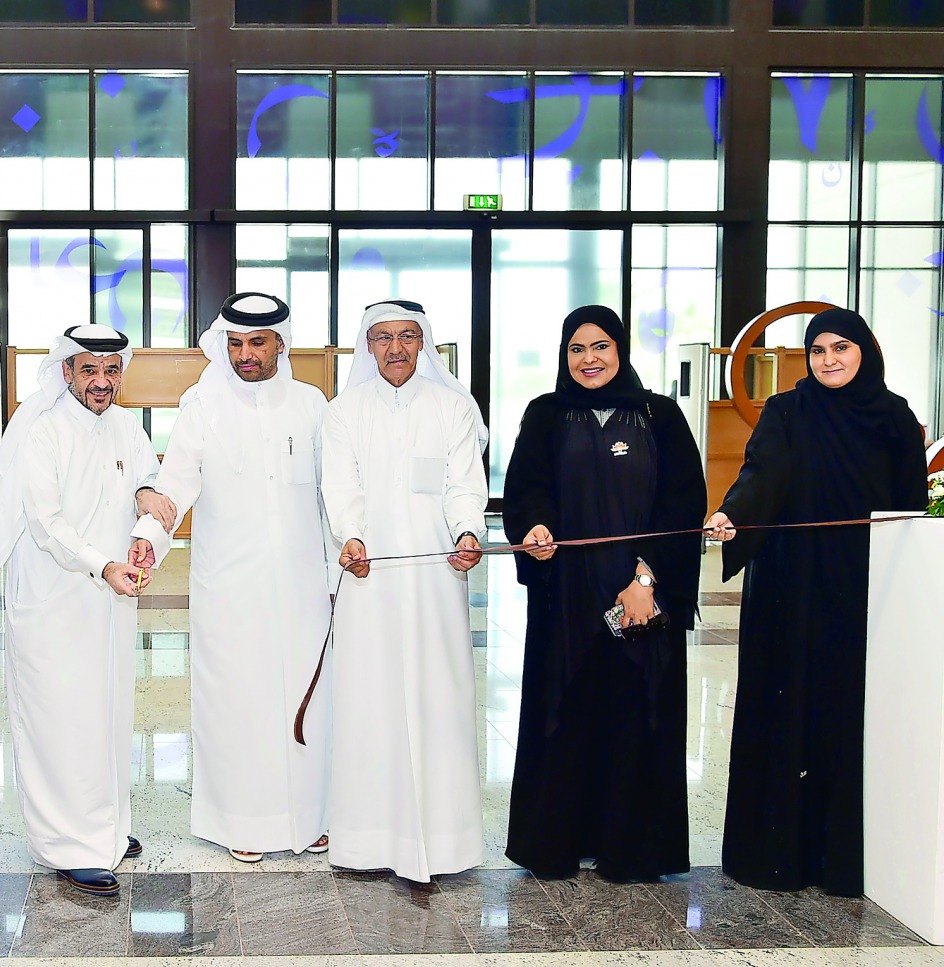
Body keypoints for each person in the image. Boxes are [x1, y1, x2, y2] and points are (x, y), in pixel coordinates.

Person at [705, 307, 927, 897]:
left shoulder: (895, 417)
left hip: (862, 590)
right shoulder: (786, 411)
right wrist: (732, 514)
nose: (829, 360)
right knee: (787, 707)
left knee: (848, 713)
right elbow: (761, 475)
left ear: (865, 351)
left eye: (841, 348)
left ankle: (844, 860)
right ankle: (776, 857)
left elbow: (909, 506)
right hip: (790, 586)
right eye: (819, 350)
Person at [501, 305, 706, 882]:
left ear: (620, 350)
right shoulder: (545, 414)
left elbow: (683, 502)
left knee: (636, 713)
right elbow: (526, 488)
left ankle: (632, 850)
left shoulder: (659, 415)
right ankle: (557, 844)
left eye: (600, 347)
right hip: (565, 595)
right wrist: (534, 529)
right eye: (577, 349)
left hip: (639, 595)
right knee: (564, 713)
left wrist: (646, 580)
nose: (588, 359)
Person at [132, 292, 333, 863]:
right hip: (229, 586)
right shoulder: (202, 406)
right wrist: (148, 536)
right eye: (236, 343)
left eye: (257, 343)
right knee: (237, 701)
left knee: (305, 697)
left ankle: (310, 817)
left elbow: (334, 491)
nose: (245, 354)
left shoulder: (311, 405)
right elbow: (176, 483)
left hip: (301, 584)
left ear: (280, 344)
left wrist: (342, 561)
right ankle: (242, 822)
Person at [0, 324, 160, 898]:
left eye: (111, 371)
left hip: (109, 594)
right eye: (89, 370)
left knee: (105, 711)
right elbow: (45, 523)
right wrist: (102, 565)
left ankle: (103, 829)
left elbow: (147, 481)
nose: (101, 382)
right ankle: (66, 845)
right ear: (66, 372)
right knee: (60, 717)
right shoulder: (42, 429)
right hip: (52, 595)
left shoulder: (127, 427)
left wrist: (144, 522)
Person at [320, 298, 488, 882]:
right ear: (368, 346)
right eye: (384, 337)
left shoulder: (453, 407)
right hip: (367, 579)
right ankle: (369, 843)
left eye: (407, 336)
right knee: (371, 701)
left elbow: (465, 485)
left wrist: (467, 532)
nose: (395, 348)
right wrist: (351, 536)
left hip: (437, 581)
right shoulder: (343, 412)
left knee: (439, 702)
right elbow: (340, 487)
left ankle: (445, 843)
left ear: (424, 344)